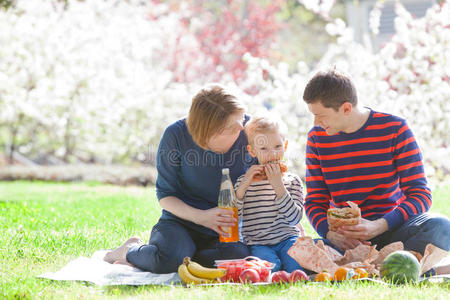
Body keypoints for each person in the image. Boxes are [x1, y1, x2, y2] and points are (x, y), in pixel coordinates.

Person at [302, 70, 450, 274]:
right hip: (348, 243)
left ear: (346, 108)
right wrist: (329, 233)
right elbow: (315, 200)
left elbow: (421, 195)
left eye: (321, 116)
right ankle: (412, 269)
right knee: (298, 253)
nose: (316, 123)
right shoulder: (317, 138)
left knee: (441, 226)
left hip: (394, 231)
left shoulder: (395, 129)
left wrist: (380, 225)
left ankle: (374, 268)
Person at [104, 85, 255, 273]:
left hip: (224, 229)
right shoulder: (175, 135)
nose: (240, 130)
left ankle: (184, 256)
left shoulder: (251, 131)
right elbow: (165, 195)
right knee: (170, 260)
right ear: (206, 132)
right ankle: (129, 251)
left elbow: (271, 178)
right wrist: (200, 217)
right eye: (231, 128)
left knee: (237, 258)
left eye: (240, 122)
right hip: (180, 223)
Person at [233, 114, 305, 272]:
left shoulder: (292, 181)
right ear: (252, 151)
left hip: (288, 238)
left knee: (297, 268)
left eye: (277, 147)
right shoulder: (244, 182)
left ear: (285, 146)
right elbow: (233, 218)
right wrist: (242, 188)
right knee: (269, 268)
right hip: (258, 242)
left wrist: (279, 186)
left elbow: (294, 219)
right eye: (264, 149)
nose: (272, 154)